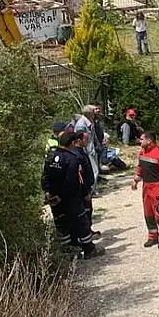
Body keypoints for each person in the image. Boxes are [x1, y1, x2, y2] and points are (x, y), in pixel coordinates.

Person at [42, 130, 104, 259]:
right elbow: (71, 181)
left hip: (54, 199)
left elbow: (45, 177)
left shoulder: (50, 156)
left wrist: (48, 193)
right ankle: (89, 249)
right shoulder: (72, 158)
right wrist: (81, 192)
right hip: (70, 198)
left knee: (62, 224)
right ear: (71, 143)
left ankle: (69, 252)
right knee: (81, 222)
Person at [131, 131, 159, 248]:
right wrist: (136, 180)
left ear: (149, 140)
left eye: (141, 139)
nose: (139, 141)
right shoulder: (142, 152)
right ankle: (153, 236)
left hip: (157, 187)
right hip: (146, 187)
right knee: (148, 213)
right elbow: (140, 167)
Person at [73, 105, 100, 182]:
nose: (95, 114)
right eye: (93, 112)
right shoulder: (81, 124)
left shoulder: (90, 122)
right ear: (89, 113)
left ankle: (93, 190)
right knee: (94, 171)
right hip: (87, 151)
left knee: (94, 171)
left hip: (92, 149)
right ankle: (91, 190)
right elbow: (81, 140)